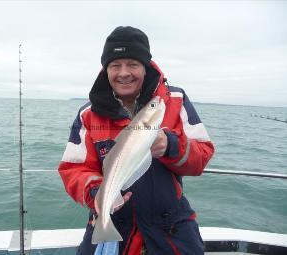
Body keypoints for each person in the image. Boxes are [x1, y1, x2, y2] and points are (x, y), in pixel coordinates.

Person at [58, 26, 215, 255]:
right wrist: (96, 193)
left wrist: (171, 146)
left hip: (171, 229)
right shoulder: (88, 115)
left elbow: (203, 154)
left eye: (132, 64)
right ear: (106, 69)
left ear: (145, 66)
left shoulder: (175, 100)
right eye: (115, 65)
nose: (124, 73)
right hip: (113, 221)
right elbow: (73, 169)